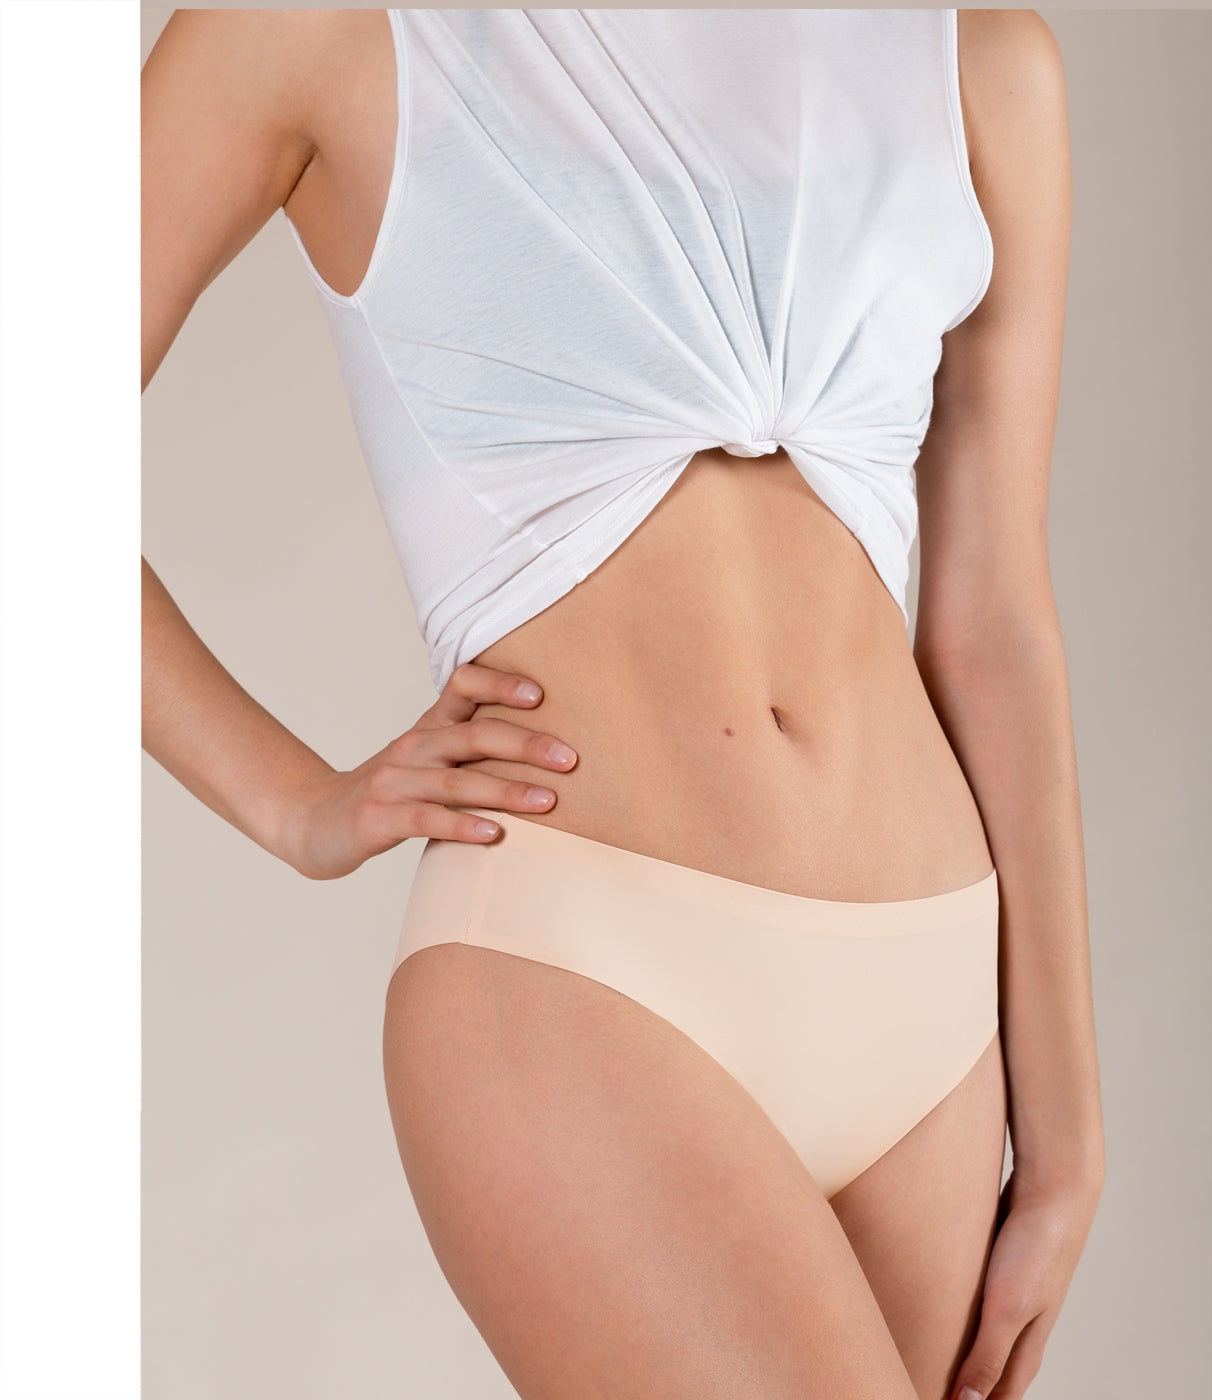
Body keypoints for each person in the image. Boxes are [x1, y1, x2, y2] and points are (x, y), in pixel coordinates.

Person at [141, 8, 1104, 1398]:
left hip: (934, 1000)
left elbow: (995, 617)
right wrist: (293, 803)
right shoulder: (311, 28)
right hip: (585, 966)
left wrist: (1067, 1136)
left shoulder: (978, 58)